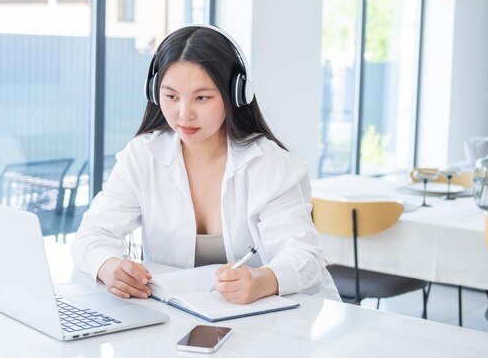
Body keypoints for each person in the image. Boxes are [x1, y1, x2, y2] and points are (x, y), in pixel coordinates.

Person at [71, 25, 340, 304]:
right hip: (176, 319)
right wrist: (107, 265)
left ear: (235, 94)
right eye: (171, 96)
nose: (184, 114)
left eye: (202, 98)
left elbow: (305, 257)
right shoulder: (143, 156)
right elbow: (92, 234)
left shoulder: (270, 166)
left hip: (273, 322)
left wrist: (265, 280)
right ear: (154, 92)